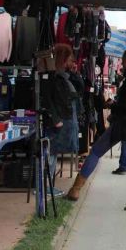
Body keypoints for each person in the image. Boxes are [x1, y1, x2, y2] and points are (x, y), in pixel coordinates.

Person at [66, 48, 126, 212]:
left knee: (96, 152)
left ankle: (75, 190)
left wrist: (114, 105)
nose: (122, 64)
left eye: (124, 61)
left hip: (123, 124)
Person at [42, 43, 80, 197]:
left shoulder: (63, 76)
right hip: (55, 123)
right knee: (50, 154)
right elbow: (46, 99)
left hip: (60, 121)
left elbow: (79, 89)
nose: (72, 63)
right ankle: (46, 188)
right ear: (63, 59)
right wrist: (55, 119)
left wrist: (75, 74)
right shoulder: (51, 76)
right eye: (70, 59)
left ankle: (48, 187)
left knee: (53, 154)